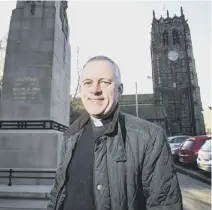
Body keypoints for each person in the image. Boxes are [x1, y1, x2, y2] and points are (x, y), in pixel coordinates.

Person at [47, 56, 183, 210]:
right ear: (81, 89)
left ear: (120, 89)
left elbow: (164, 204)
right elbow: (57, 193)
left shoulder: (149, 137)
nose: (95, 90)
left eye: (104, 82)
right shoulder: (71, 136)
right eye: (87, 83)